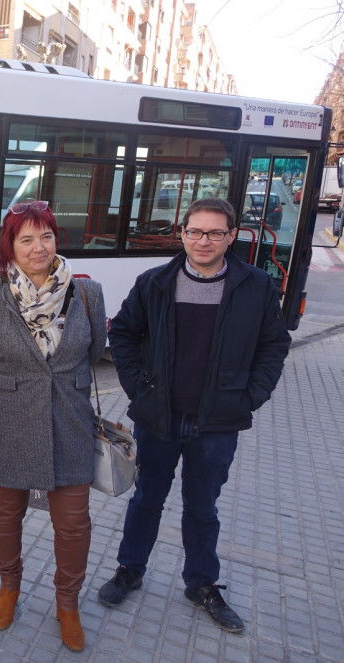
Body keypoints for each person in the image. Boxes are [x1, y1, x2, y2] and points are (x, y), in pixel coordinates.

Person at [97, 197, 290, 633]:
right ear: (181, 233)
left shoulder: (256, 286)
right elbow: (123, 333)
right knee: (146, 499)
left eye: (215, 232)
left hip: (218, 422)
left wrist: (251, 396)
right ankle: (130, 570)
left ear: (232, 236)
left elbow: (274, 345)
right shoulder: (156, 282)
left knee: (202, 507)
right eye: (195, 231)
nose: (204, 241)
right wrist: (137, 387)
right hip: (159, 418)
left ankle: (201, 583)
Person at [0, 199, 106, 652]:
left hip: (71, 423)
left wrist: (51, 385)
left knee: (74, 524)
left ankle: (68, 604)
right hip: (9, 422)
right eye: (26, 239)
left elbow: (95, 350)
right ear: (11, 247)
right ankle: (9, 588)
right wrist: (17, 388)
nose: (38, 247)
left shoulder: (87, 293)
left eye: (46, 236)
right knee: (6, 513)